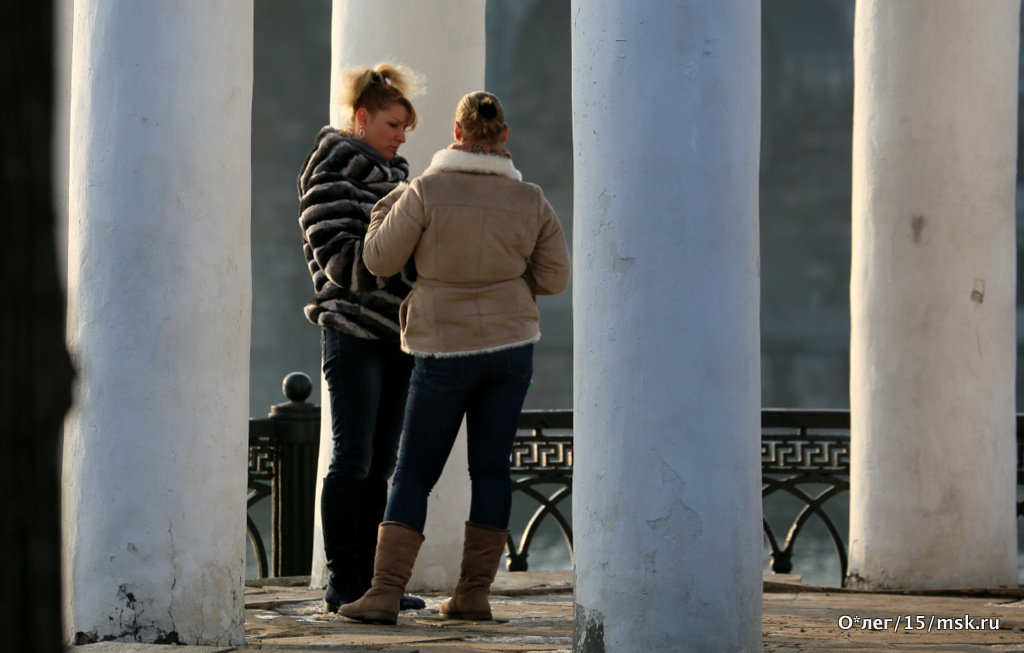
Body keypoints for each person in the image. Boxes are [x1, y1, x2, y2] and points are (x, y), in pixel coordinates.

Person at [339, 91, 571, 625]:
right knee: (491, 469)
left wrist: (385, 208)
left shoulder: (426, 191)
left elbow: (378, 258)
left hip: (444, 350)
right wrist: (509, 289)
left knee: (415, 472)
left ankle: (384, 593)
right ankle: (473, 594)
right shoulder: (532, 199)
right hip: (512, 352)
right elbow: (555, 278)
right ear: (503, 136)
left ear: (457, 133)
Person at [296, 63, 425, 613]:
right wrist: (402, 268)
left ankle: (374, 585)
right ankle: (341, 579)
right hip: (350, 332)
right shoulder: (330, 173)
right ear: (363, 117)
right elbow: (342, 262)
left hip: (399, 335)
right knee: (351, 458)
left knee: (382, 460)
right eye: (393, 125)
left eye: (405, 130)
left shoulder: (404, 183)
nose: (400, 137)